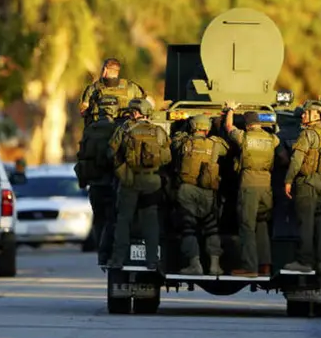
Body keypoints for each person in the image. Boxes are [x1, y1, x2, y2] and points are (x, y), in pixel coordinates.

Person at [107, 99, 171, 270]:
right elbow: (167, 158)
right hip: (152, 182)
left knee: (123, 220)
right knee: (151, 221)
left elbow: (111, 153)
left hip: (130, 181)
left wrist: (122, 172)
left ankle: (118, 259)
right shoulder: (158, 132)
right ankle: (152, 260)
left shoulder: (126, 129)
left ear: (136, 112)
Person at [224, 101, 279, 277]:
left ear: (247, 125)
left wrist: (230, 109)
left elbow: (228, 126)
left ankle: (250, 267)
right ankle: (265, 266)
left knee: (247, 226)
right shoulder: (272, 139)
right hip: (266, 187)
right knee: (261, 225)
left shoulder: (244, 137)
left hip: (249, 185)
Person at [282, 100, 321, 273]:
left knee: (305, 223)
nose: (303, 115)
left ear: (315, 115)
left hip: (308, 184)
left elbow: (296, 160)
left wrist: (288, 180)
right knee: (320, 222)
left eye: (306, 113)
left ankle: (304, 262)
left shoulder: (307, 135)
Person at [173, 114, 230, 275]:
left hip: (187, 189)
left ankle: (195, 264)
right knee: (211, 228)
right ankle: (214, 265)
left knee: (189, 228)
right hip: (208, 191)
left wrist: (184, 128)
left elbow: (173, 144)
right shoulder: (215, 144)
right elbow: (228, 149)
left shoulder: (183, 142)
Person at [74, 104, 130, 266]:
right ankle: (111, 252)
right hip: (113, 182)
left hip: (96, 183)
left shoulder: (91, 130)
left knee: (99, 220)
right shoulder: (119, 129)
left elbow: (82, 155)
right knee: (113, 219)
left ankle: (101, 253)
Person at [78, 58, 147, 127]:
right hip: (124, 130)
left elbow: (83, 112)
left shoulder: (93, 88)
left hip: (99, 131)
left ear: (105, 70)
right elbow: (143, 108)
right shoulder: (132, 87)